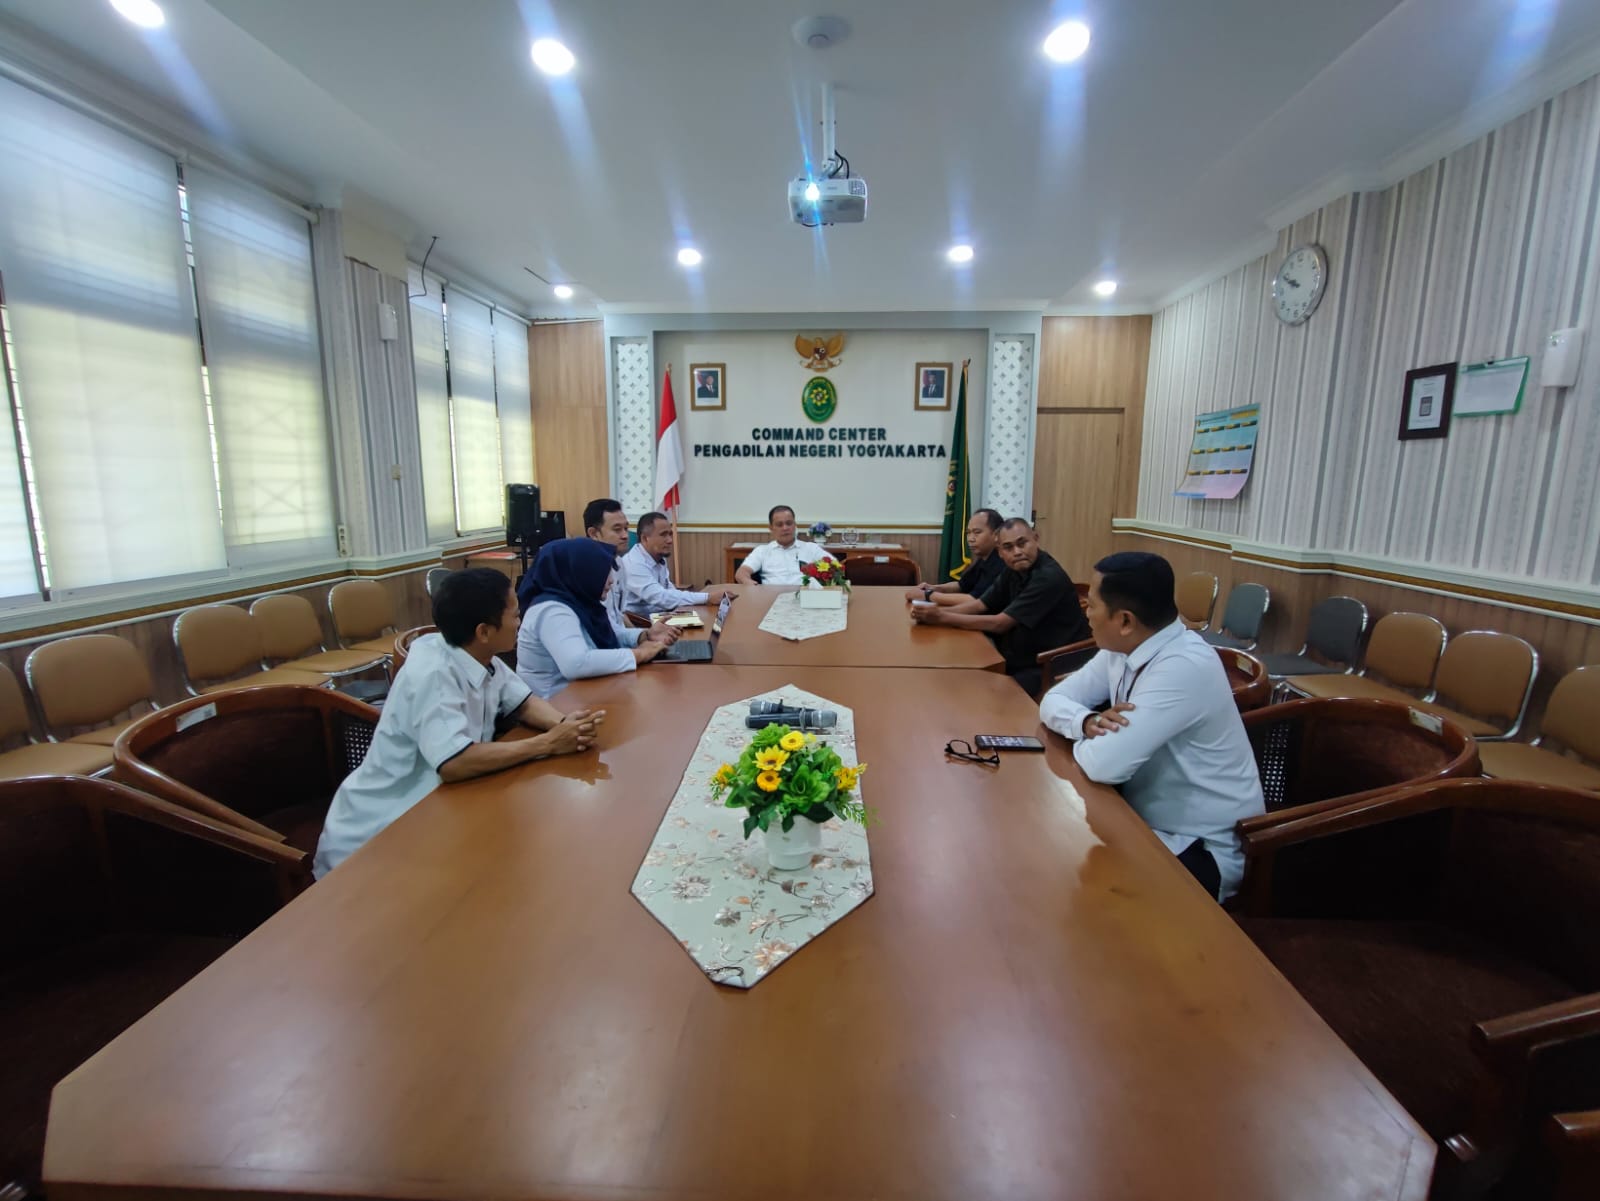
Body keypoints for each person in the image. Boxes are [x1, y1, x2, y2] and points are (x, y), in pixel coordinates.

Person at [313, 568, 603, 878]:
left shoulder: (476, 652)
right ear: (484, 631)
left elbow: (523, 702)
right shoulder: (434, 673)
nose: (520, 622)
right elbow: (455, 762)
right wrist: (548, 743)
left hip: (438, 815)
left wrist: (565, 725)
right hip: (376, 839)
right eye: (515, 614)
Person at [1038, 552, 1264, 902]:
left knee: (1074, 890)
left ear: (1124, 620)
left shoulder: (1183, 665)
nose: (1087, 613)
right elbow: (1054, 700)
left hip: (1198, 848)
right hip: (1137, 821)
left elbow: (1104, 765)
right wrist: (1087, 722)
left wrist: (1097, 742)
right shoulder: (1124, 647)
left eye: (1093, 605)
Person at [909, 518, 1088, 695]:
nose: (1017, 552)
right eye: (1008, 547)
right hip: (1019, 654)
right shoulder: (1012, 570)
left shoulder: (1048, 577)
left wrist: (940, 616)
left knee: (983, 691)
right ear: (1000, 552)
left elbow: (1000, 623)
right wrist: (932, 613)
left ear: (1036, 539)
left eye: (1022, 543)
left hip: (1051, 663)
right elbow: (980, 605)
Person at [517, 538, 669, 698]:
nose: (611, 581)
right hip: (556, 708)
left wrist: (644, 635)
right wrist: (638, 654)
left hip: (585, 696)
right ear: (581, 572)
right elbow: (577, 663)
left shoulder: (578, 600)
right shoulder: (552, 610)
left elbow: (604, 634)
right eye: (603, 573)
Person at [522, 497, 676, 649]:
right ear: (593, 533)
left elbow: (620, 617)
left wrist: (644, 637)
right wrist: (639, 649)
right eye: (617, 529)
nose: (625, 535)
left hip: (617, 644)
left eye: (625, 528)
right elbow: (590, 645)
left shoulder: (619, 563)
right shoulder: (584, 574)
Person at [619, 511, 733, 618]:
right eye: (663, 535)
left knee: (706, 618)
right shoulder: (633, 564)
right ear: (644, 538)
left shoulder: (658, 556)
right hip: (640, 623)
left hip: (660, 615)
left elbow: (670, 592)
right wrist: (707, 597)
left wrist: (691, 607)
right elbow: (661, 597)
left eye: (670, 534)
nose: (670, 540)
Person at [904, 508, 1006, 607]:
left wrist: (927, 596)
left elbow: (975, 601)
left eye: (977, 532)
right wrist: (933, 588)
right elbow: (961, 585)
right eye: (968, 533)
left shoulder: (1000, 561)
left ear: (997, 535)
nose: (970, 539)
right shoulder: (984, 558)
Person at [734, 505, 837, 585]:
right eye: (779, 524)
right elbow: (741, 573)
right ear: (771, 528)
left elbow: (836, 567)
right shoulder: (762, 551)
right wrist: (749, 583)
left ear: (795, 525)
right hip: (770, 598)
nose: (785, 528)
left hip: (805, 598)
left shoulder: (811, 548)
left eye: (789, 523)